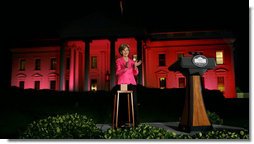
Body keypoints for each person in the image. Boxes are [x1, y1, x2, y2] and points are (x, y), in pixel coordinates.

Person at [112, 43, 142, 128]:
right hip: (123, 83)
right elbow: (117, 72)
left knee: (134, 102)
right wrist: (125, 68)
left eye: (127, 50)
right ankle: (121, 122)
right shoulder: (119, 60)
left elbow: (135, 73)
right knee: (123, 102)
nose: (126, 52)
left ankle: (136, 122)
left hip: (132, 83)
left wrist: (135, 67)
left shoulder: (132, 61)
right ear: (121, 52)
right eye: (124, 50)